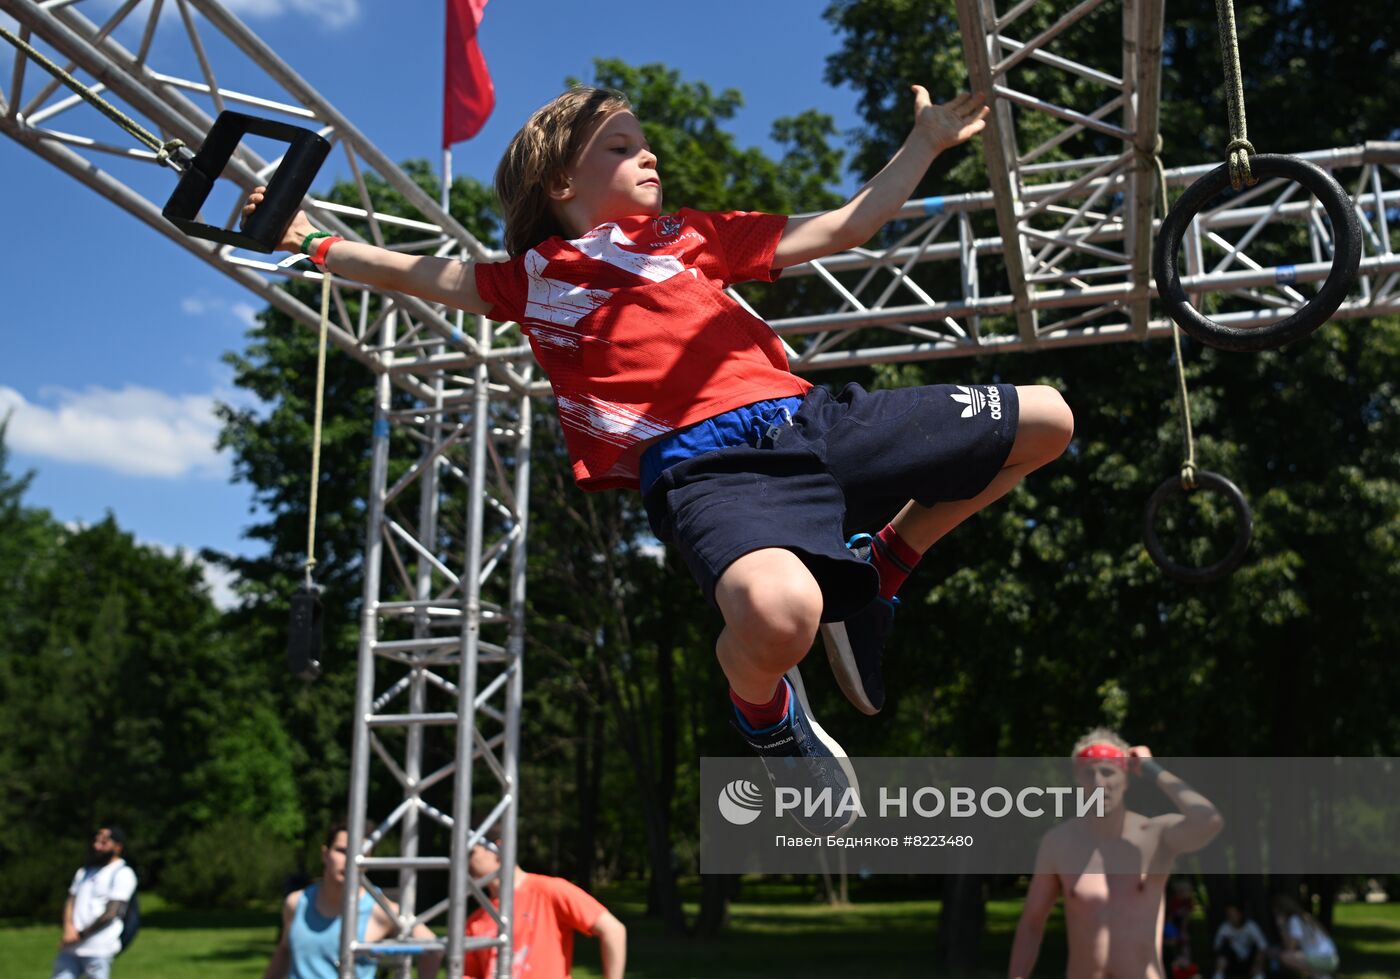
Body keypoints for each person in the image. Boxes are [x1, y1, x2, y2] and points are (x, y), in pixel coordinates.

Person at [243, 82, 1072, 829]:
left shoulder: (687, 237)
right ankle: (769, 718)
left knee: (1048, 420)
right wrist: (311, 241)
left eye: (645, 143)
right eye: (620, 144)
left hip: (809, 419)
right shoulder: (531, 279)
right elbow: (412, 271)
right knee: (782, 614)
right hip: (706, 470)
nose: (648, 153)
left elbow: (846, 225)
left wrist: (922, 144)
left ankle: (884, 566)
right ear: (560, 183)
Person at [1008, 729, 1225, 979]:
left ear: (1126, 778)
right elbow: (1032, 924)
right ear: (1078, 779)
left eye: (1108, 772)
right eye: (1089, 773)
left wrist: (1152, 769)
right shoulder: (1058, 843)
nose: (1100, 783)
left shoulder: (1155, 836)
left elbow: (1209, 820)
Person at [262, 822, 442, 979]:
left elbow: (434, 948)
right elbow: (285, 951)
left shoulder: (379, 908)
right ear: (325, 854)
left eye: (359, 853)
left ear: (369, 861)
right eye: (342, 851)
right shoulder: (296, 903)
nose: (349, 860)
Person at [463, 839, 626, 979]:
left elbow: (613, 931)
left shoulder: (549, 891)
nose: (464, 861)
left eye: (471, 853)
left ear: (499, 848)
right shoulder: (475, 921)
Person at [53, 825, 137, 979]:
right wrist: (68, 928)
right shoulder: (84, 871)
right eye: (96, 841)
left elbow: (112, 912)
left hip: (99, 946)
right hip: (71, 946)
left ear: (117, 847)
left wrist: (80, 934)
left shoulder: (122, 873)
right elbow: (71, 900)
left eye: (104, 842)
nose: (97, 846)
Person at [1271, 895, 1339, 979]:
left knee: (1285, 957)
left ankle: (1319, 975)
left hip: (1326, 960)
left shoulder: (1294, 920)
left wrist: (1281, 926)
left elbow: (1290, 948)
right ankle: (1320, 975)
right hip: (1329, 958)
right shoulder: (1302, 917)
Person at [1212, 902, 1267, 979]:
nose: (1231, 917)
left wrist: (1257, 964)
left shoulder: (1250, 926)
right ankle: (1218, 975)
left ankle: (1258, 975)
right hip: (1232, 962)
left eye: (1233, 914)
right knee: (1224, 948)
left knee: (1258, 949)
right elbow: (1217, 947)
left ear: (1240, 914)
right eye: (1229, 914)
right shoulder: (1224, 928)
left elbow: (1263, 946)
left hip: (1250, 961)